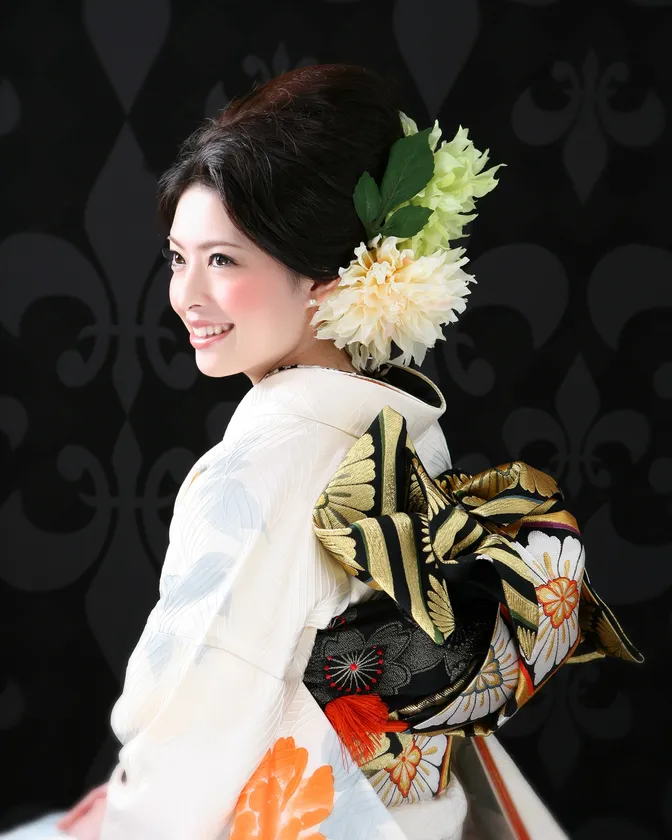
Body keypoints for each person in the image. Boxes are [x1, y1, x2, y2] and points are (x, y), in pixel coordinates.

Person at [2, 63, 642, 840]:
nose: (186, 296)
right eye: (178, 257)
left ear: (324, 278)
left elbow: (204, 709)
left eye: (223, 260)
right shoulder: (401, 420)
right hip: (408, 817)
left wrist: (128, 815)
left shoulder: (270, 457)